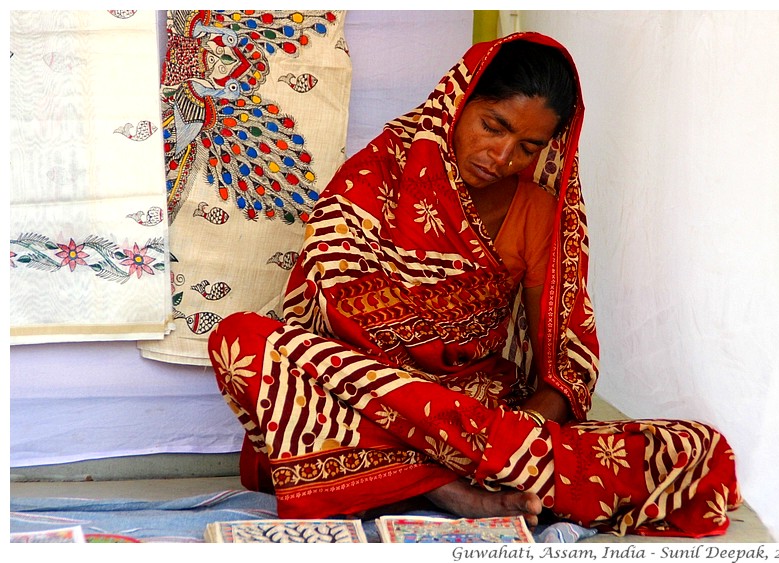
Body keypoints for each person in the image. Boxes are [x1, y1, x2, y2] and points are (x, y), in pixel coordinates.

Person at [208, 32, 741, 537]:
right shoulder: (375, 180)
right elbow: (324, 321)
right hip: (359, 406)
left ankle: (395, 478)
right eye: (493, 125)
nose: (502, 157)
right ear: (456, 103)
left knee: (694, 451)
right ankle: (448, 490)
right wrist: (471, 445)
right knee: (241, 341)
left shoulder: (537, 213)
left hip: (475, 418)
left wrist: (511, 444)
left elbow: (564, 367)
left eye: (528, 146)